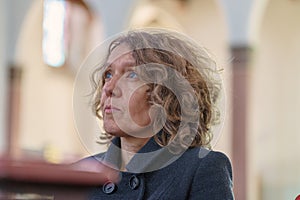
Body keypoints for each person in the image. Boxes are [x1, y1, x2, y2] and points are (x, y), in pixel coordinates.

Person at [78, 28, 234, 199]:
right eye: (108, 74)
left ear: (167, 94)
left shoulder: (202, 169)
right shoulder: (79, 175)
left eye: (131, 74)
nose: (109, 87)